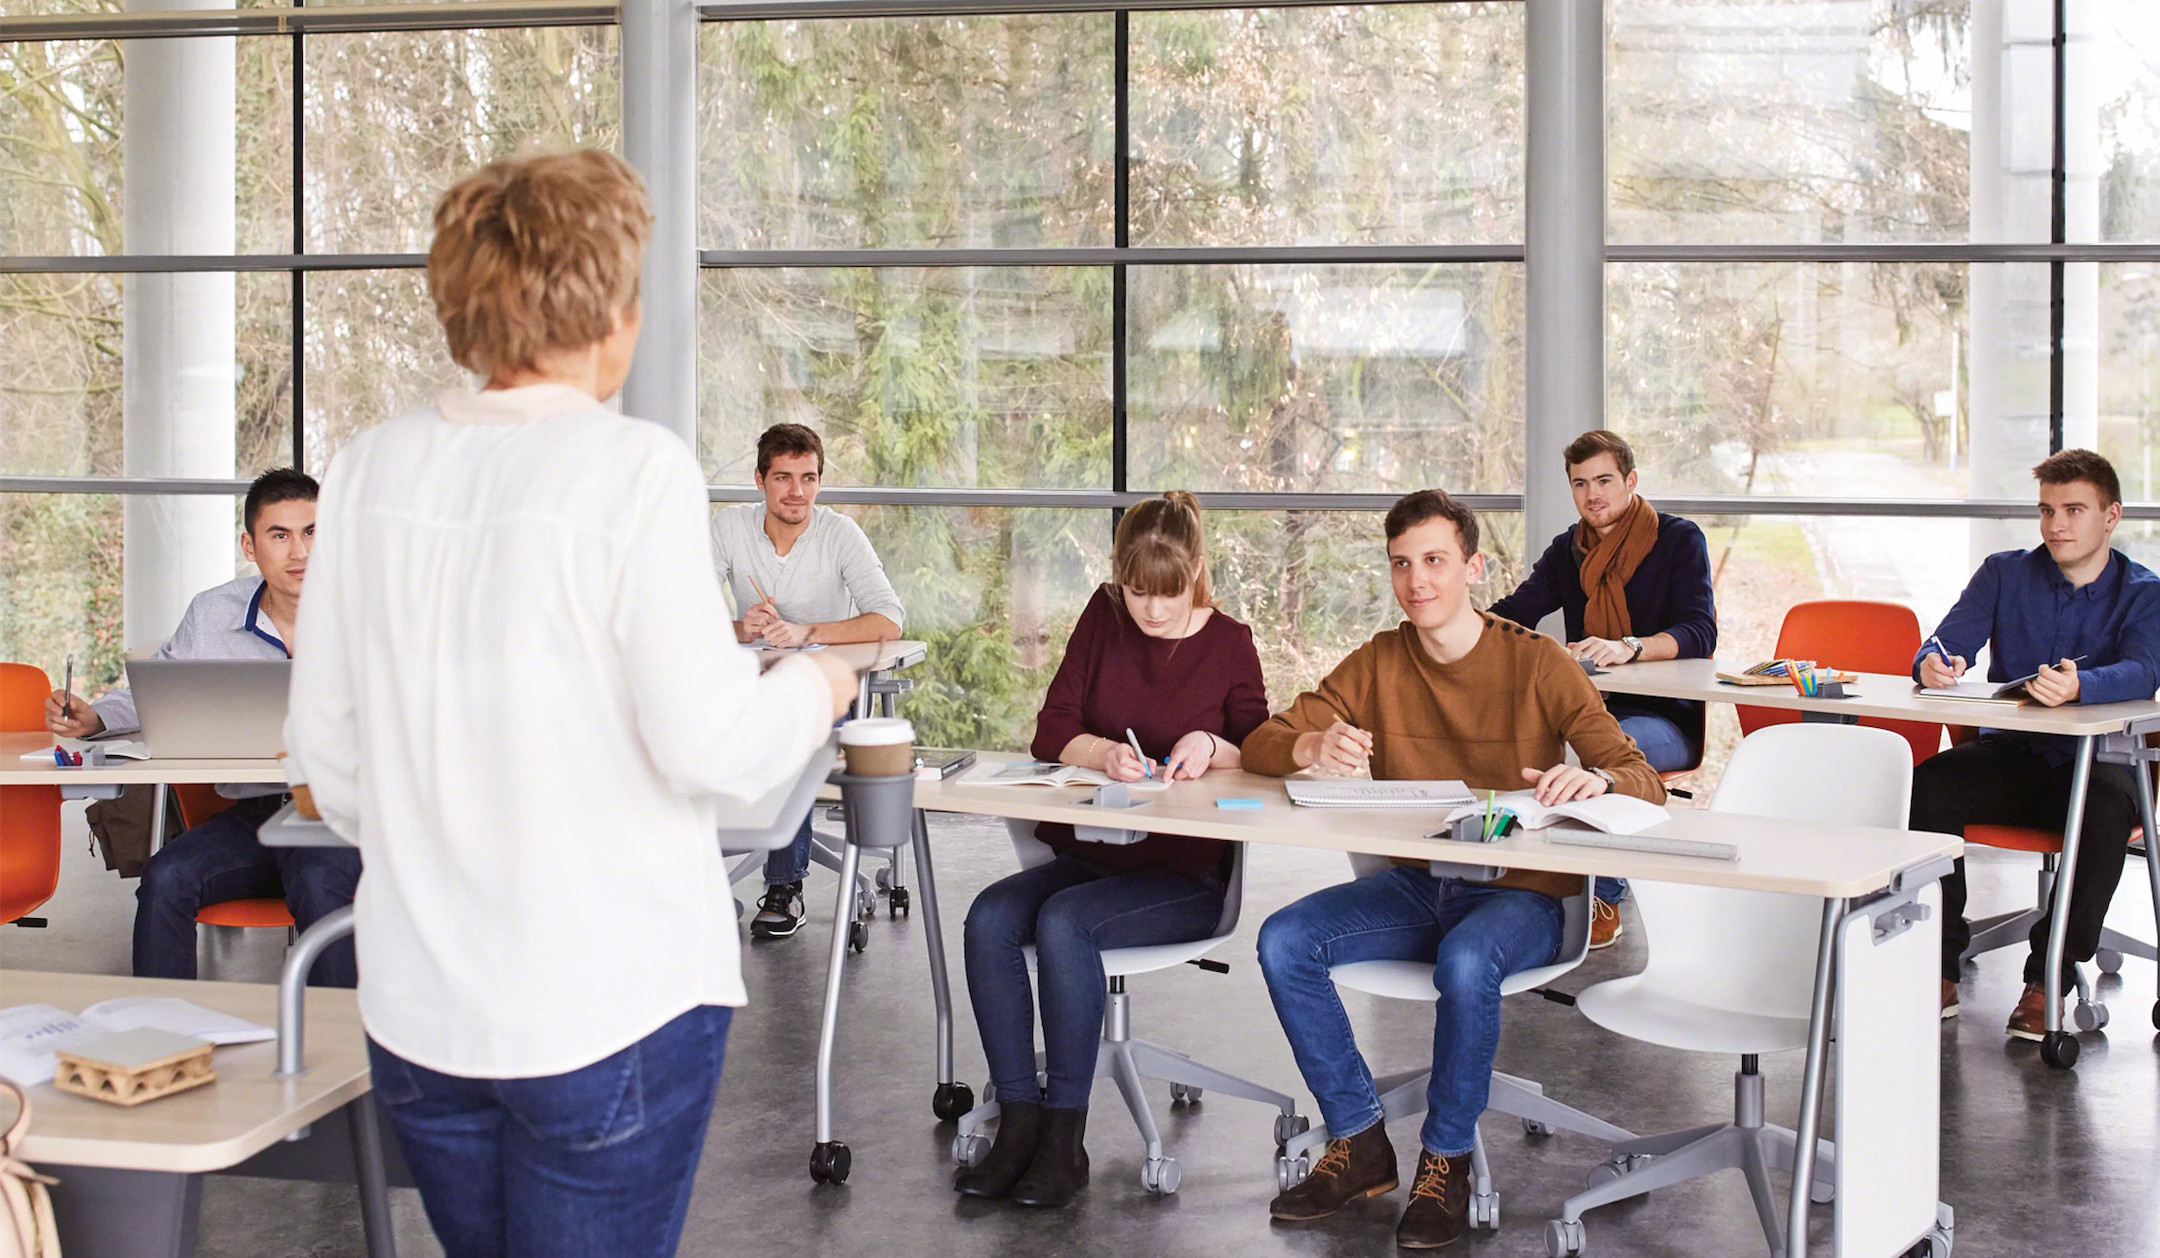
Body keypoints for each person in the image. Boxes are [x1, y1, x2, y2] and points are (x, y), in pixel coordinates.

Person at [283, 149, 860, 1258]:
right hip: (606, 1010)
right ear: (611, 310)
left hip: (420, 1018)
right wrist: (817, 682)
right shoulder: (630, 470)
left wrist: (448, 843)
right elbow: (716, 748)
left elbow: (330, 755)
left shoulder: (367, 469)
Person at [1246, 489, 1663, 1250]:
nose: (1417, 582)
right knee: (1284, 940)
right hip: (1419, 885)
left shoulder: (1536, 662)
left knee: (1468, 959)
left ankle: (1445, 1160)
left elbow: (1642, 775)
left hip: (1530, 898)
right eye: (1401, 565)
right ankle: (1359, 1141)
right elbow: (1265, 739)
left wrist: (1596, 781)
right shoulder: (1378, 660)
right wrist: (1312, 747)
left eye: (1435, 561)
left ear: (1473, 567)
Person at [956, 491, 1268, 1209]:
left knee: (1066, 924)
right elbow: (1051, 728)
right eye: (1137, 591)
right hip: (1092, 855)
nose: (1151, 611)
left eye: (1167, 593)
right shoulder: (1104, 618)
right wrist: (1102, 753)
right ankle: (1020, 1123)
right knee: (989, 919)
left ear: (1195, 570)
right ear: (1117, 576)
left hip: (1185, 874)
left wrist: (1209, 745)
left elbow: (1261, 745)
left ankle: (1065, 1141)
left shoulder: (1230, 642)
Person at [44, 467, 360, 988]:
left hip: (343, 815)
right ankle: (162, 1038)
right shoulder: (214, 613)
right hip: (256, 814)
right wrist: (95, 717)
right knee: (165, 877)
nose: (300, 553)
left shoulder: (373, 614)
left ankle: (341, 1047)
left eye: (313, 532)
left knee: (319, 882)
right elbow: (161, 694)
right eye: (279, 536)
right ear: (250, 545)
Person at [1909, 449, 2160, 1038]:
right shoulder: (2004, 572)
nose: (2056, 525)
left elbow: (2144, 671)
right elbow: (1944, 641)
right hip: (2016, 757)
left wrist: (2081, 687)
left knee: (2098, 813)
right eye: (2047, 510)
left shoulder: (2146, 592)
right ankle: (1938, 966)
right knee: (1930, 784)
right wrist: (1933, 664)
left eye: (2074, 510)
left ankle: (2048, 979)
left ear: (2111, 516)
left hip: (2103, 765)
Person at [1488, 429, 1715, 948]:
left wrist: (1631, 646)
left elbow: (1701, 632)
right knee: (1512, 741)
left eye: (1605, 481)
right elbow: (1513, 615)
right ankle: (1521, 882)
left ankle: (1602, 894)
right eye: (1580, 483)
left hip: (1661, 719)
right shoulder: (1567, 551)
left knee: (1594, 767)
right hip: (1584, 710)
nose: (1594, 495)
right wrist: (1449, 627)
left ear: (1630, 481)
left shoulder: (1679, 541)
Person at [712, 422, 906, 940]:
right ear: (760, 480)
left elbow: (888, 619)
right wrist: (740, 627)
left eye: (808, 478)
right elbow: (682, 614)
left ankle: (783, 886)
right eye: (783, 478)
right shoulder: (729, 528)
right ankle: (695, 869)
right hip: (747, 685)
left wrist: (806, 633)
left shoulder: (840, 534)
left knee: (787, 733)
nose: (797, 491)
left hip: (824, 689)